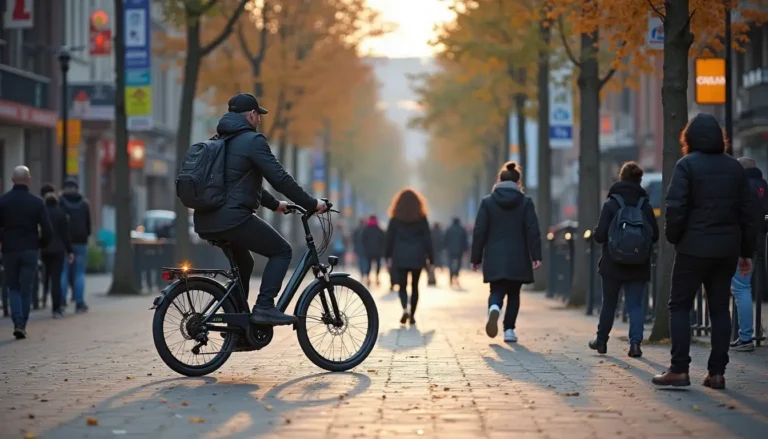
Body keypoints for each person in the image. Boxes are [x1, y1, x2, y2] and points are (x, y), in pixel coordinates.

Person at [193, 93, 327, 326]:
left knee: (245, 264)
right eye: (259, 115)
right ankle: (264, 307)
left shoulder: (219, 141)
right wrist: (311, 203)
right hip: (232, 218)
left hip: (207, 219)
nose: (260, 121)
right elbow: (280, 179)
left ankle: (238, 326)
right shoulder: (252, 141)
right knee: (282, 251)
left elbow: (237, 184)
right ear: (252, 115)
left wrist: (275, 205)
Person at [653, 114, 759, 390]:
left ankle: (679, 369)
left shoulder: (686, 165)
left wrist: (674, 237)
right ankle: (717, 373)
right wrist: (746, 251)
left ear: (688, 138)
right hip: (726, 249)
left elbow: (675, 208)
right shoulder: (735, 169)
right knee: (720, 309)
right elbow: (749, 213)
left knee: (680, 305)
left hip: (693, 247)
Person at [589, 162, 659, 358]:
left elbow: (600, 235)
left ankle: (601, 341)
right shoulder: (644, 204)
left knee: (609, 303)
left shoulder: (612, 203)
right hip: (638, 263)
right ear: (639, 179)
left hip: (613, 263)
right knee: (635, 304)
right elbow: (654, 235)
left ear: (621, 178)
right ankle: (635, 343)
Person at [471, 162, 542, 343]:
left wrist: (476, 258)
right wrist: (536, 256)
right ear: (518, 182)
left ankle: (494, 307)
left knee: (496, 289)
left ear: (499, 180)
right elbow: (532, 230)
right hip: (518, 256)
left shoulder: (488, 202)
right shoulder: (526, 202)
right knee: (514, 294)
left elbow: (479, 230)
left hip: (494, 255)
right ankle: (509, 330)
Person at [0, 166, 53, 338]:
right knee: (27, 287)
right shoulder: (37, 202)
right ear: (29, 180)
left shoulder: (3, 201)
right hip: (30, 249)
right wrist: (40, 244)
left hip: (9, 249)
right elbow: (47, 229)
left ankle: (17, 320)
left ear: (12, 180)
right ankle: (22, 322)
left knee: (13, 286)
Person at [730, 157, 768, 352]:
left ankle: (745, 337)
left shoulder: (743, 187)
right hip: (760, 241)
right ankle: (743, 336)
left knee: (740, 288)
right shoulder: (764, 186)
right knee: (743, 287)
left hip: (744, 244)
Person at [385, 188, 434, 325]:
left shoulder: (395, 219)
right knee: (415, 286)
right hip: (417, 256)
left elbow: (389, 238)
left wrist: (387, 256)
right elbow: (427, 239)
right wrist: (431, 258)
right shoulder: (421, 219)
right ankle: (412, 314)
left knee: (402, 286)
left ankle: (404, 308)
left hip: (400, 255)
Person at [59, 178, 92, 313]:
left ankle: (61, 302)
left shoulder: (60, 202)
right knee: (79, 273)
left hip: (64, 242)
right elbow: (89, 225)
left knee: (64, 272)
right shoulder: (84, 203)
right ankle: (79, 302)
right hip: (81, 242)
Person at [41, 191, 74, 319]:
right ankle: (56, 308)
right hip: (58, 250)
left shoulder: (42, 214)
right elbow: (65, 235)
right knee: (56, 279)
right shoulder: (61, 215)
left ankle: (44, 298)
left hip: (45, 249)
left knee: (46, 277)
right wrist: (70, 251)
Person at [443, 217, 469, 288]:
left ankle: (451, 277)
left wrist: (445, 248)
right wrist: (466, 250)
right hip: (459, 250)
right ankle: (456, 275)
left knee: (450, 264)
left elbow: (445, 239)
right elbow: (465, 241)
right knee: (459, 264)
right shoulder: (462, 229)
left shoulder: (449, 229)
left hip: (450, 250)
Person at [362, 215, 386, 286]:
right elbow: (383, 241)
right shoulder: (379, 230)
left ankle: (368, 278)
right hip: (378, 252)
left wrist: (365, 249)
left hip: (369, 251)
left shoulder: (366, 229)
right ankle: (377, 278)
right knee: (378, 265)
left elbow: (363, 241)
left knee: (368, 265)